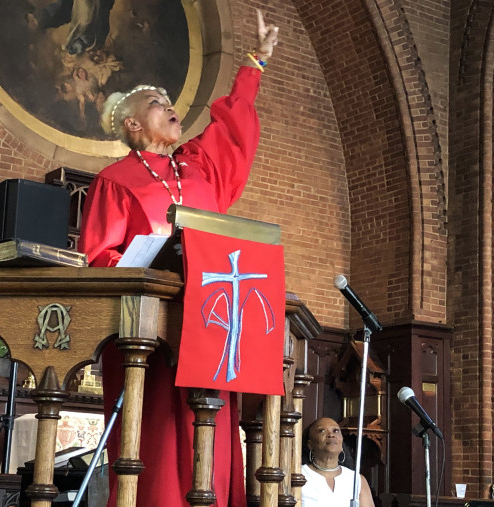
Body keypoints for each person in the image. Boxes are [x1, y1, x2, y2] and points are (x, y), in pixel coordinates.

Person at [77, 9, 279, 507]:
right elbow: (100, 256)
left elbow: (232, 131)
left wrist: (253, 63)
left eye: (169, 101)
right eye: (156, 102)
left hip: (212, 319)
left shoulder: (199, 167)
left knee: (210, 436)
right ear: (131, 122)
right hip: (153, 332)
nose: (169, 106)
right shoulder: (117, 179)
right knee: (163, 444)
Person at [301, 417, 375, 507]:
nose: (331, 435)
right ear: (310, 444)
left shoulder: (356, 480)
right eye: (322, 431)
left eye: (335, 431)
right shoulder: (298, 476)